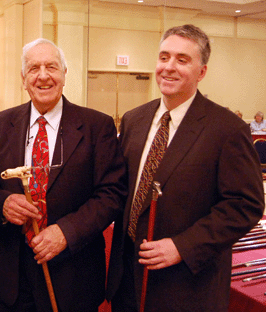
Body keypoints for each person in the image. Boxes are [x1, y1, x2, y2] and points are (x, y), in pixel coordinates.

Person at [106, 24, 264, 312]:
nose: (169, 67)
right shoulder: (134, 120)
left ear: (202, 72)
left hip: (185, 287)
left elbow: (246, 204)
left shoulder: (227, 129)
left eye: (182, 59)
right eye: (164, 57)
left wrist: (183, 246)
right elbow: (119, 191)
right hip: (127, 279)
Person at [0, 38, 127, 312]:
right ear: (24, 79)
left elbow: (112, 194)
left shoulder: (97, 126)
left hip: (73, 270)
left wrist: (66, 233)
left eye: (52, 67)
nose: (43, 76)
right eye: (34, 68)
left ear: (64, 75)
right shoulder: (1, 124)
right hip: (15, 271)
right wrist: (3, 203)